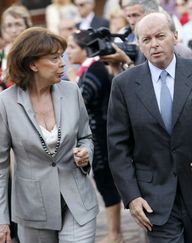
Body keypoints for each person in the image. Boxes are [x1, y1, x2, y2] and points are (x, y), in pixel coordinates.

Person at [107, 12, 192, 243]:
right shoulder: (123, 85)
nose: (154, 44)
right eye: (146, 39)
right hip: (154, 197)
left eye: (160, 36)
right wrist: (132, 196)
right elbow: (118, 148)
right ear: (139, 44)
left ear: (175, 36)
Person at [0, 27, 98, 243]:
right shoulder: (4, 103)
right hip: (33, 210)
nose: (62, 63)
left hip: (77, 201)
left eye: (62, 56)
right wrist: (0, 220)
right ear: (33, 64)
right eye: (54, 58)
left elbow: (86, 137)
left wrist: (86, 153)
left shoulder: (72, 91)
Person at [66, 30, 124, 243]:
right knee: (103, 180)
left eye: (72, 47)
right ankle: (115, 233)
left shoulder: (94, 69)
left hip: (100, 134)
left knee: (105, 180)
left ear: (85, 49)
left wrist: (72, 83)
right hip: (96, 132)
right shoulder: (88, 69)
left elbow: (81, 99)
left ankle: (115, 234)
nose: (68, 52)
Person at [0, 5, 32, 96]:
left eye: (18, 24)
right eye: (9, 25)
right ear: (4, 29)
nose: (14, 30)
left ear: (27, 25)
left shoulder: (37, 49)